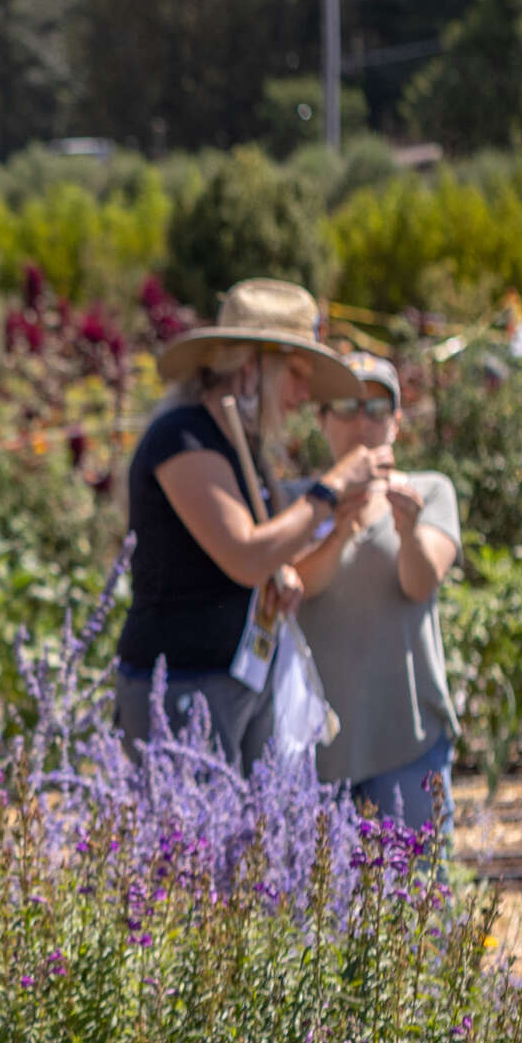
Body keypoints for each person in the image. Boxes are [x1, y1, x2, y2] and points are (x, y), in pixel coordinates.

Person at [120, 278, 389, 768]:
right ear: (252, 365)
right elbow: (244, 554)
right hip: (182, 687)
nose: (304, 395)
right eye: (297, 374)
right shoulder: (183, 438)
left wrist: (279, 572)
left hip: (232, 680)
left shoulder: (236, 441)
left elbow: (256, 555)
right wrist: (329, 490)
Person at [285, 352, 462, 836]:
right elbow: (296, 587)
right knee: (316, 908)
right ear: (321, 420)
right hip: (311, 754)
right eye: (345, 405)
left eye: (378, 407)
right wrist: (337, 529)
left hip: (407, 745)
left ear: (397, 423)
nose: (362, 421)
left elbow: (420, 584)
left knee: (418, 903)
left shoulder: (430, 492)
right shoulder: (292, 504)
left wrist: (408, 530)